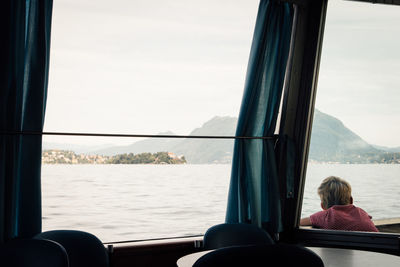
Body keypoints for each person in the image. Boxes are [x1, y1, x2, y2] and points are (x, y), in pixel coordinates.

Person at [300, 176, 378, 232]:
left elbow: (298, 222)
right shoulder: (362, 213)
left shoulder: (326, 216)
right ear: (351, 200)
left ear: (322, 206)